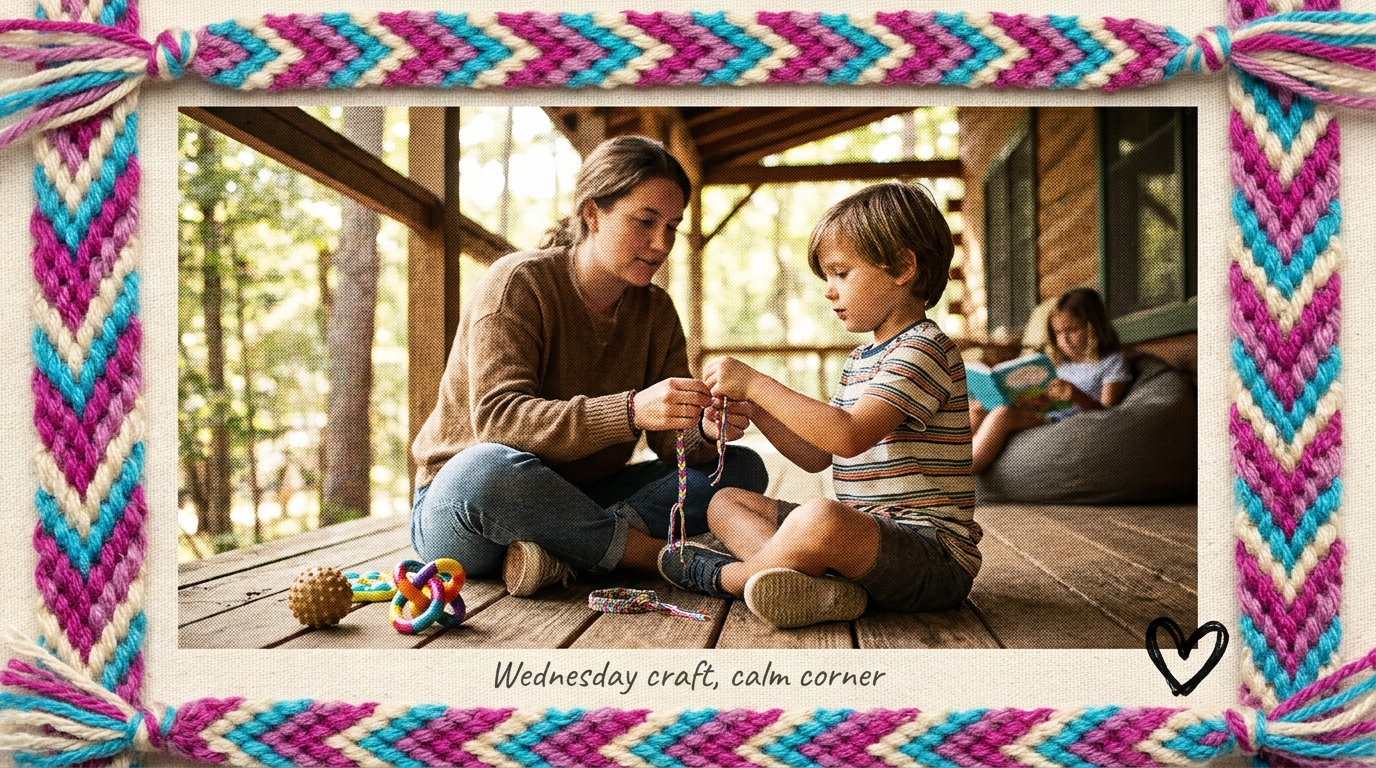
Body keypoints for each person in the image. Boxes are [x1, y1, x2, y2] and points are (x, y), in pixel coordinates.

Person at [409, 135, 768, 597]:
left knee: (739, 469)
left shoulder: (657, 310)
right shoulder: (519, 282)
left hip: (585, 496)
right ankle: (654, 555)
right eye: (645, 221)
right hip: (469, 509)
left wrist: (704, 430)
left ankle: (568, 549)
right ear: (592, 214)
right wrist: (631, 410)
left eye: (673, 226)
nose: (661, 243)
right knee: (482, 470)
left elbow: (670, 445)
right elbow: (499, 421)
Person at [656, 181, 978, 629]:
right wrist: (759, 409)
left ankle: (729, 577)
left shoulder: (924, 349)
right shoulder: (860, 360)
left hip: (931, 557)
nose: (829, 290)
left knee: (821, 517)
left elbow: (848, 435)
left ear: (904, 267)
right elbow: (817, 455)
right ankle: (813, 586)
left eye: (841, 273)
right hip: (862, 541)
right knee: (725, 502)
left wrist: (757, 383)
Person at [969, 286, 1130, 474]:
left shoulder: (1111, 362)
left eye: (1072, 330)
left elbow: (1109, 417)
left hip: (1060, 421)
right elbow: (1045, 399)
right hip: (1041, 411)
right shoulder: (1061, 364)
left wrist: (1076, 395)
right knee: (976, 410)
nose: (1064, 339)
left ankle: (957, 474)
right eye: (1059, 333)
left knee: (1002, 415)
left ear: (1094, 326)